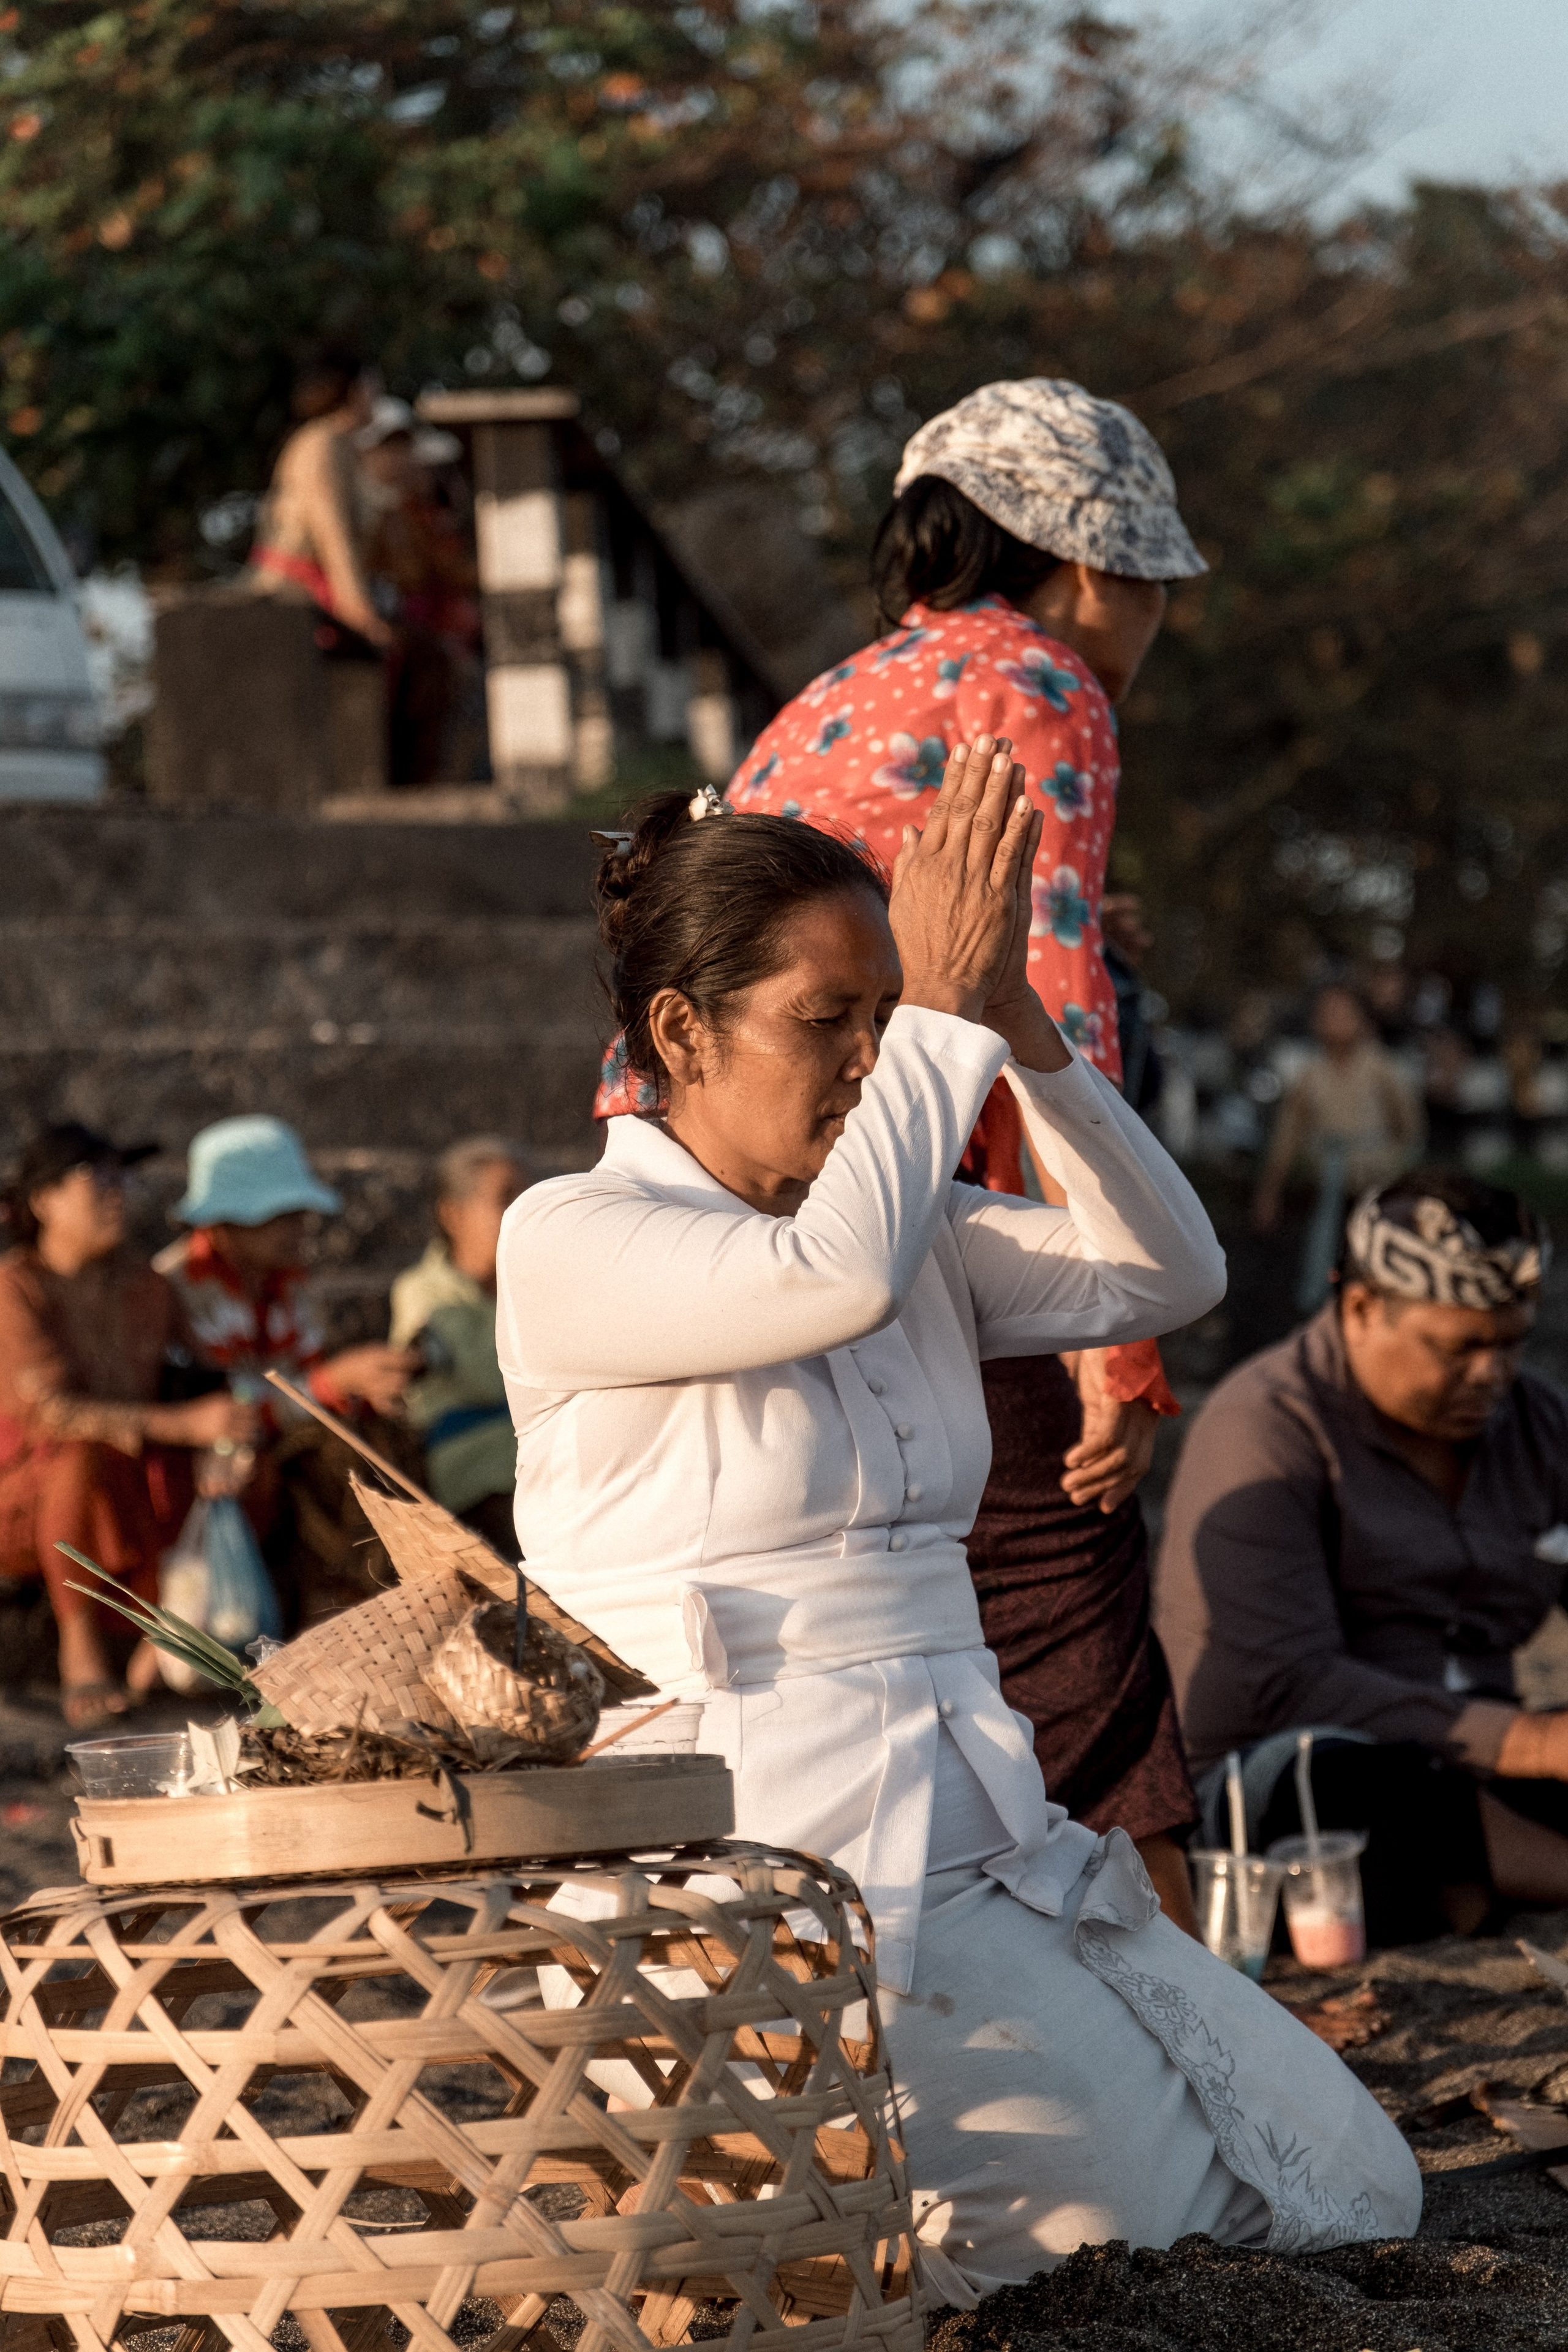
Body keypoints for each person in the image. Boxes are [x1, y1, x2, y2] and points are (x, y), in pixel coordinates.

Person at [498, 759, 1420, 2294]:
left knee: (1348, 2179)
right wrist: (931, 1020)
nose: (868, 1058)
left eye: (885, 1016)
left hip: (971, 1843)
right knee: (1133, 2244)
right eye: (826, 1019)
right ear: (678, 1031)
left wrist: (1017, 1030)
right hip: (729, 1877)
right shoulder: (571, 1235)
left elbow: (1165, 1272)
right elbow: (825, 1283)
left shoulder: (914, 1230)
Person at [612, 378, 1208, 1917]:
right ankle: (1174, 1997)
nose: (1145, 626)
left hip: (711, 1196)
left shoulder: (834, 690)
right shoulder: (1044, 678)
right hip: (923, 1204)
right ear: (1093, 571)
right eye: (1150, 589)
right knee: (1070, 1610)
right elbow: (1039, 986)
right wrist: (1119, 1360)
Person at [1155, 1168, 1568, 1945]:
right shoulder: (1266, 1426)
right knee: (1356, 1784)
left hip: (1479, 1765)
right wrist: (1535, 1744)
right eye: (1459, 1348)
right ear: (1360, 1308)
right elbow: (1288, 1684)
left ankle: (1472, 1889)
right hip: (1282, 1788)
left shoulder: (1538, 1424)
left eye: (1510, 1345)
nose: (1492, 1375)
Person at [0, 1124, 255, 1725]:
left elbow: (211, 1381)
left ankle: (162, 1639)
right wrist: (183, 1425)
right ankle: (79, 1643)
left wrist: (222, 1438)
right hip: (32, 1494)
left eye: (123, 1178)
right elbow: (52, 1412)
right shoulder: (15, 1288)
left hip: (136, 1479)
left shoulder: (148, 1285)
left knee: (250, 1464)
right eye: (98, 1179)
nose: (119, 1193)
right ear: (44, 1202)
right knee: (76, 1455)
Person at [155, 1116, 419, 1626]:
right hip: (210, 1453)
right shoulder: (177, 1288)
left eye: (298, 1212)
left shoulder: (289, 1283)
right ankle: (341, 1618)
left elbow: (307, 1370)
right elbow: (226, 1403)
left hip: (279, 1433)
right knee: (337, 1455)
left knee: (384, 1436)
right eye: (280, 1214)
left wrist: (362, 1385)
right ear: (227, 1222)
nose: (300, 1225)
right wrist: (334, 1384)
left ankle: (375, 1611)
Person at [390, 1136, 530, 1558]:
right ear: (453, 1214)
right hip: (475, 1481)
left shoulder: (530, 1282)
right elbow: (493, 1376)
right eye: (507, 1198)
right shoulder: (422, 1294)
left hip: (540, 1471)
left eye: (528, 1197)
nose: (523, 1211)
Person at [1253, 982, 1423, 1312]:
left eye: (1344, 1015)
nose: (1336, 1023)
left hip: (1374, 1187)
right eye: (1328, 1015)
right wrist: (1270, 1191)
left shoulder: (1382, 1070)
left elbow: (1409, 1130)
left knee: (1374, 1267)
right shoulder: (1309, 1075)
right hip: (1323, 1188)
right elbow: (1286, 1138)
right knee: (1325, 1261)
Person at [247, 346, 393, 654]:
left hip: (312, 601)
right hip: (291, 601)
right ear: (353, 389)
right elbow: (332, 532)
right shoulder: (320, 444)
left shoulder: (342, 446)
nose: (377, 393)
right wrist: (357, 609)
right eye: (372, 383)